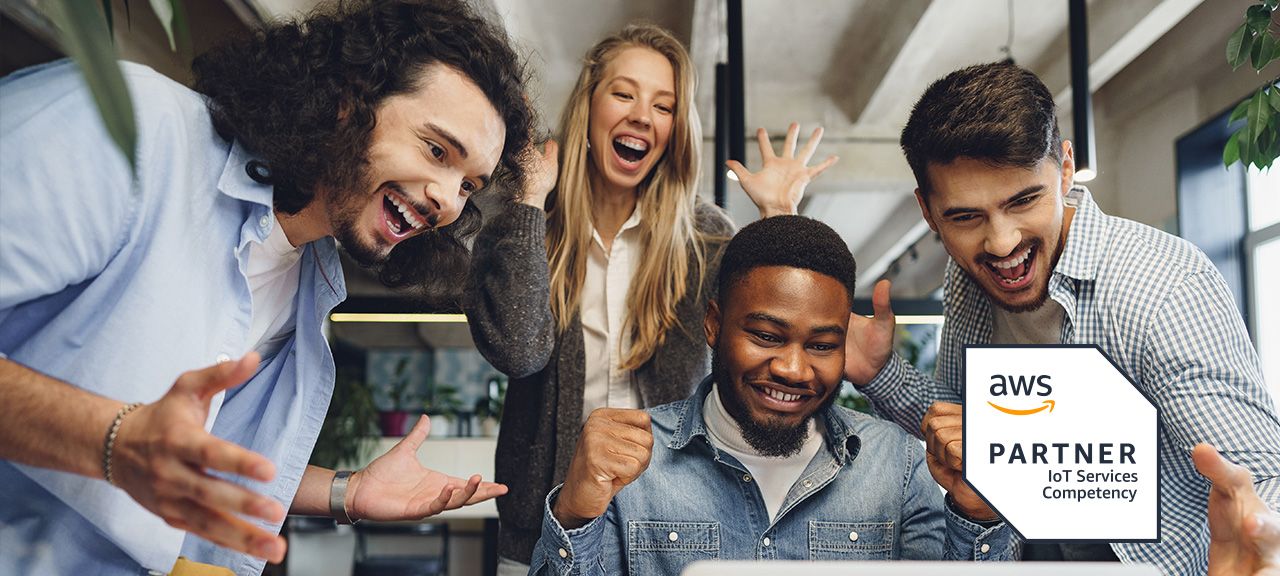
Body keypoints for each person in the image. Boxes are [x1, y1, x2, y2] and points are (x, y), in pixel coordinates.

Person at [0, 1, 535, 574]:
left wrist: (347, 493)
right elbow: (135, 446)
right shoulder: (138, 130)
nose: (448, 202)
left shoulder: (307, 280)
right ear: (346, 102)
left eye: (468, 185)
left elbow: (189, 458)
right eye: (436, 151)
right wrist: (110, 440)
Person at [843, 61, 1280, 574]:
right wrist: (879, 374)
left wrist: (1261, 546)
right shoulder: (968, 279)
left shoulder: (1161, 289)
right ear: (927, 209)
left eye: (1023, 200)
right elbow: (967, 424)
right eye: (965, 217)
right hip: (1045, 552)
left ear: (1065, 167)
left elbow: (1258, 479)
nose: (1001, 243)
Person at [463, 24, 838, 573]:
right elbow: (519, 351)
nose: (642, 115)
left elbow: (776, 337)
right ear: (589, 105)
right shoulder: (522, 224)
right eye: (623, 93)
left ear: (674, 129)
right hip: (545, 520)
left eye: (663, 106)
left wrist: (776, 218)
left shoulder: (705, 238)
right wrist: (526, 200)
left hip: (675, 521)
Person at [527, 215, 1015, 575]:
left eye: (822, 345)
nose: (792, 369)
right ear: (714, 324)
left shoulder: (900, 464)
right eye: (765, 336)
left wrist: (978, 515)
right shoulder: (632, 466)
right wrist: (574, 515)